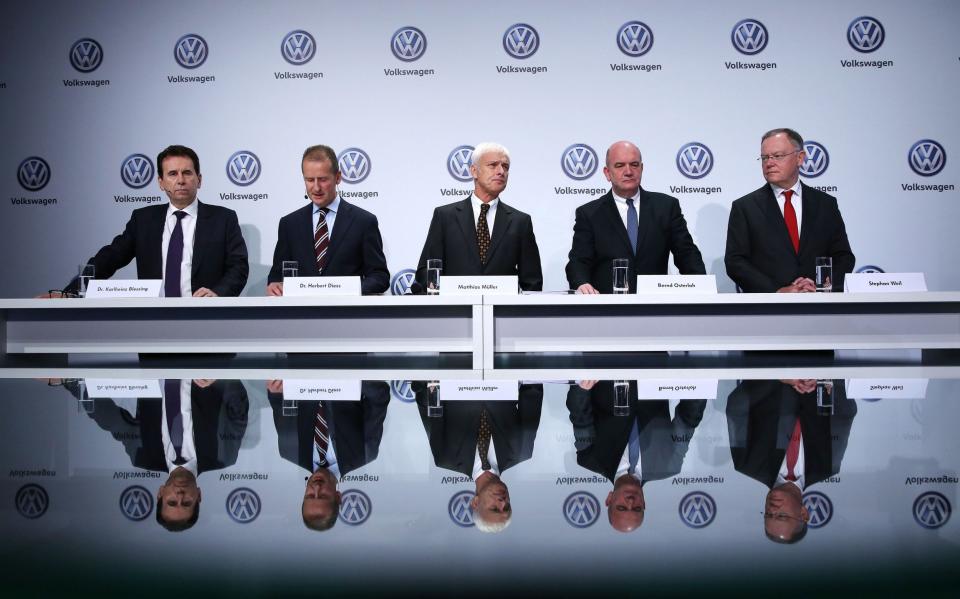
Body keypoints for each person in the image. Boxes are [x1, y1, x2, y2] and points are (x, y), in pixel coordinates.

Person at [61, 145, 248, 297]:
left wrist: (217, 294)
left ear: (199, 180)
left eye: (187, 173)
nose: (181, 180)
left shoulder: (223, 218)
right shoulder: (143, 220)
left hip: (206, 315)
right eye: (172, 174)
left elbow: (238, 267)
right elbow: (109, 258)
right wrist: (70, 292)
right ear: (161, 182)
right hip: (153, 318)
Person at [68, 378, 249, 531]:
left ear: (161, 493)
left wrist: (68, 381)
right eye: (186, 503)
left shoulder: (143, 456)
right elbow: (239, 408)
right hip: (204, 354)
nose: (180, 495)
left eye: (171, 502)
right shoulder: (224, 456)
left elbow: (109, 418)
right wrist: (218, 378)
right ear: (198, 496)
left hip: (154, 354)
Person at [726, 378, 856, 543]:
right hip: (817, 363)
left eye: (767, 514)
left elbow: (737, 406)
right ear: (803, 513)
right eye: (781, 515)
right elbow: (844, 414)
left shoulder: (747, 463)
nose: (772, 509)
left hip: (770, 358)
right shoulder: (826, 466)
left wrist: (779, 377)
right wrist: (822, 381)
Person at [725, 128, 855, 293]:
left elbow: (843, 256)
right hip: (768, 309)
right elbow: (736, 262)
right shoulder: (745, 207)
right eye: (764, 158)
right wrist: (777, 291)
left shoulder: (825, 204)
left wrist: (821, 287)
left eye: (777, 156)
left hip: (820, 306)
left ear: (800, 158)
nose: (769, 163)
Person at [566, 141, 706, 293]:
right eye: (619, 166)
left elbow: (686, 254)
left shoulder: (666, 207)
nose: (628, 171)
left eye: (634, 164)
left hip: (656, 305)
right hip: (607, 307)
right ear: (607, 173)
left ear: (642, 168)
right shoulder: (589, 213)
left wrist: (702, 288)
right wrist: (581, 283)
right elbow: (578, 261)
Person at [566, 380, 705, 532]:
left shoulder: (590, 458)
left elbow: (580, 416)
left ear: (609, 499)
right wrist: (699, 380)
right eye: (637, 508)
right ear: (644, 503)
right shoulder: (669, 465)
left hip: (606, 366)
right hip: (655, 365)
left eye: (622, 507)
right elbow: (688, 420)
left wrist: (582, 388)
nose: (631, 501)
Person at [415, 381, 544, 533]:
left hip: (454, 366)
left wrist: (433, 382)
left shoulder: (445, 457)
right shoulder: (522, 451)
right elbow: (532, 390)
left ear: (475, 503)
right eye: (507, 507)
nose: (502, 502)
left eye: (495, 509)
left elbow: (427, 402)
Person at [415, 142, 542, 292]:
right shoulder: (445, 216)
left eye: (505, 167)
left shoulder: (520, 221)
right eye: (493, 165)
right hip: (454, 311)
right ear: (474, 171)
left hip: (502, 313)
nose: (501, 171)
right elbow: (426, 271)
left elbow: (532, 282)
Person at [266, 379, 390, 531]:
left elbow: (280, 402)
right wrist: (349, 376)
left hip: (300, 361)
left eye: (310, 496)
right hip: (348, 359)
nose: (316, 488)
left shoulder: (289, 450)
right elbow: (379, 397)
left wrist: (276, 390)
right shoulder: (364, 454)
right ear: (338, 497)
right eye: (323, 496)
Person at [267, 145, 389, 296]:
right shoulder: (289, 224)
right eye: (310, 180)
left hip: (347, 314)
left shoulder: (363, 221)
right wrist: (275, 285)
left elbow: (380, 277)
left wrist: (346, 290)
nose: (316, 187)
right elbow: (277, 275)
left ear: (338, 177)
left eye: (323, 179)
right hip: (300, 316)